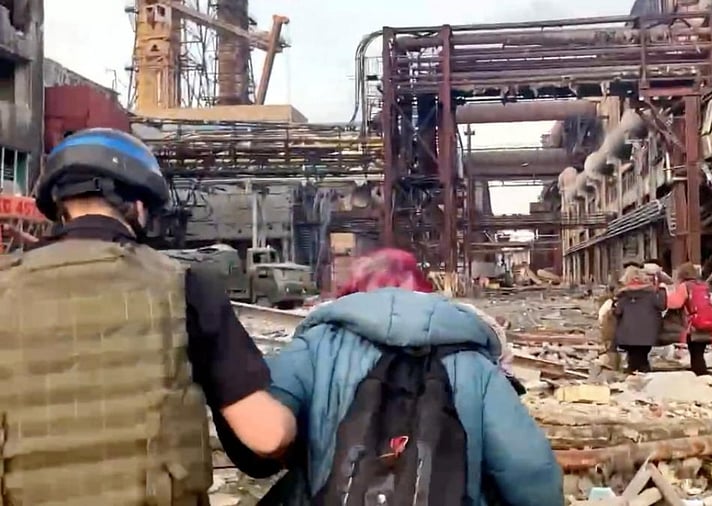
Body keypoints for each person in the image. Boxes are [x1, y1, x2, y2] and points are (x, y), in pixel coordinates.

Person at [0, 128, 296, 503]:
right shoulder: (182, 284)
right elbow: (267, 437)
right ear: (138, 205)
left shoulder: (5, 288)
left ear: (60, 206)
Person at [231, 248, 563, 506]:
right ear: (424, 290)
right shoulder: (474, 361)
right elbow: (528, 467)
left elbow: (261, 427)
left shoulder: (314, 347)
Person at [665, 263, 712, 376]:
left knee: (695, 354)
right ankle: (702, 374)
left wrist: (665, 297)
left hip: (693, 325)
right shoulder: (704, 286)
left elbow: (675, 303)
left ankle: (701, 377)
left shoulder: (685, 286)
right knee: (699, 352)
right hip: (708, 323)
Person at [612, 265, 666, 373]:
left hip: (627, 334)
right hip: (648, 333)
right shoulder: (651, 293)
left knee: (633, 359)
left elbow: (617, 312)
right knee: (642, 357)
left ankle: (633, 378)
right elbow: (662, 306)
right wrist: (662, 290)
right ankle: (642, 377)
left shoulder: (623, 295)